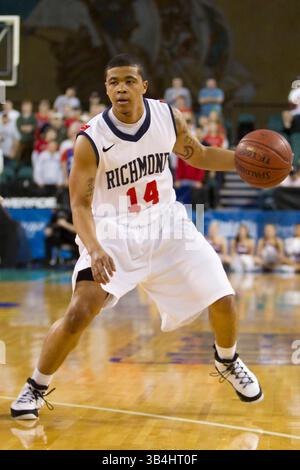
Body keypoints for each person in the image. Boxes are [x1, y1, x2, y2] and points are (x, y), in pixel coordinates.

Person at [11, 54, 263, 420]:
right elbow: (79, 207)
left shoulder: (166, 117)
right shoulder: (91, 139)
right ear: (106, 89)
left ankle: (228, 359)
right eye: (113, 82)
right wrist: (95, 248)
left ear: (143, 86)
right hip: (114, 230)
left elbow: (202, 155)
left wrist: (244, 160)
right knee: (81, 310)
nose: (121, 88)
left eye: (129, 80)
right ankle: (35, 386)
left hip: (166, 225)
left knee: (224, 298)